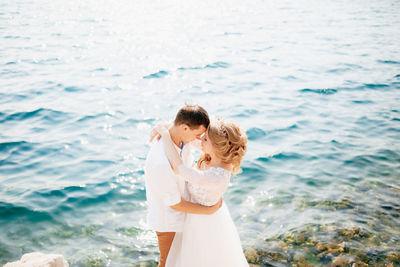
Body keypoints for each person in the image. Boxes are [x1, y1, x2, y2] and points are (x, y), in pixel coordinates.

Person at [153, 118, 249, 267]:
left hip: (204, 221)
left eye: (206, 139)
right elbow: (190, 139)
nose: (201, 139)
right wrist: (171, 127)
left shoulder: (216, 177)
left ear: (216, 147)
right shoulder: (216, 156)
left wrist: (165, 135)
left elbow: (179, 168)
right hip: (197, 214)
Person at [144, 105, 222, 267]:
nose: (200, 139)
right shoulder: (161, 163)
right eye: (198, 134)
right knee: (168, 261)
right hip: (169, 221)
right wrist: (209, 210)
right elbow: (174, 203)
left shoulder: (181, 139)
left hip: (186, 212)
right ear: (185, 128)